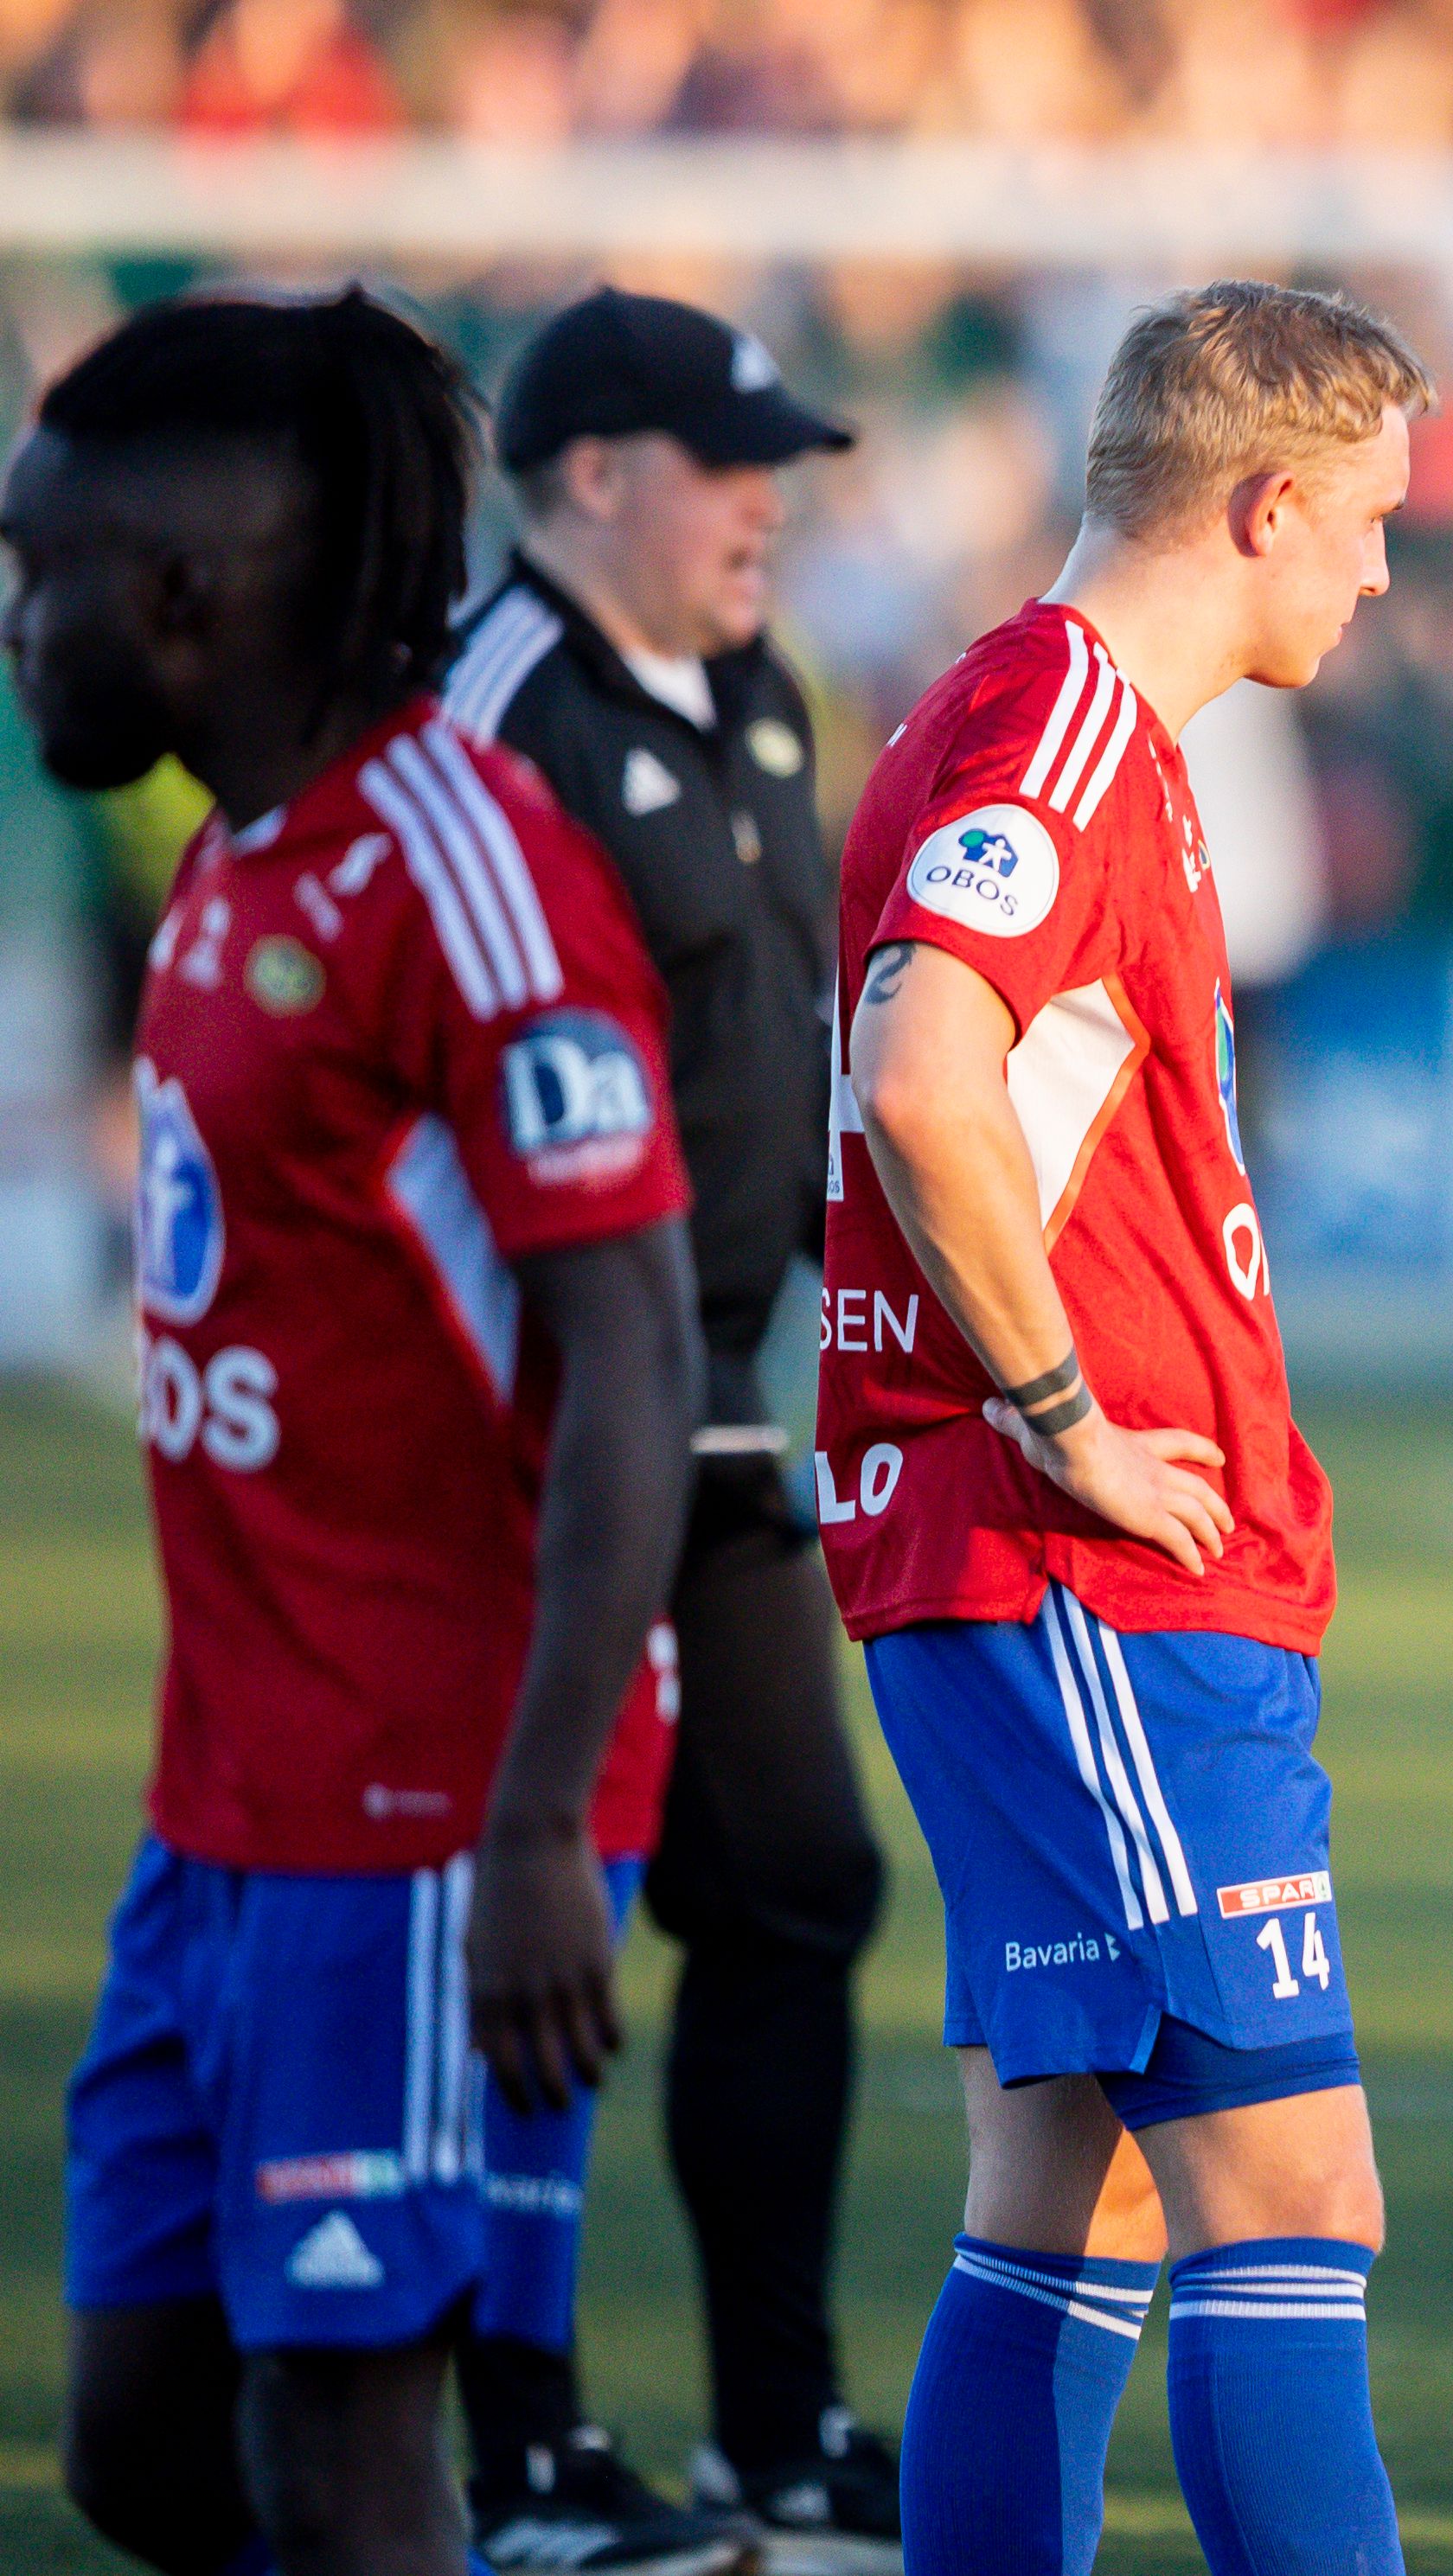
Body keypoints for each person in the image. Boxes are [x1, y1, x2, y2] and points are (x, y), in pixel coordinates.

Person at [11, 287, 707, 2574]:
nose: (15, 628)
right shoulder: (238, 854)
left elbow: (634, 1348)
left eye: (36, 574)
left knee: (344, 2445)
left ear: (180, 597)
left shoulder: (461, 870)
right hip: (225, 1802)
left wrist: (538, 1820)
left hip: (429, 1804)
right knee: (139, 2448)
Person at [818, 279, 1428, 2576]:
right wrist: (1061, 1407)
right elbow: (919, 1067)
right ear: (1264, 507)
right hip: (1083, 1574)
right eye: (1363, 520)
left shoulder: (1062, 723)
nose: (1380, 569)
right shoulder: (1059, 727)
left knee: (1067, 2191)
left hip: (1027, 1567)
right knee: (1291, 2188)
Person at [445, 285, 896, 2573]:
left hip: (714, 1397)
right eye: (733, 465)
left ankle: (772, 2429)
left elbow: (780, 1042)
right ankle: (509, 2445)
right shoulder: (491, 712)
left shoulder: (762, 691)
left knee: (791, 1886)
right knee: (547, 1902)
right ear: (595, 472)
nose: (768, 505)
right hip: (536, 1420)